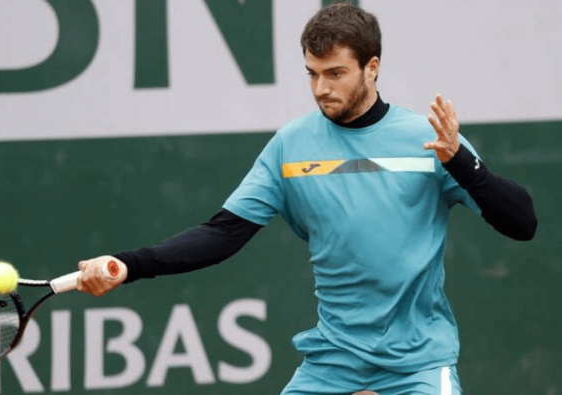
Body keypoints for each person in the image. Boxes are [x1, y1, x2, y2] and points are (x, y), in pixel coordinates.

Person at [76, 2, 537, 394]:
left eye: (335, 73)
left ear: (371, 68)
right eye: (313, 74)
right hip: (331, 362)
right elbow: (223, 234)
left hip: (418, 362)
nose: (321, 88)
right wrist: (129, 264)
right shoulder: (290, 146)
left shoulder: (428, 140)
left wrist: (461, 162)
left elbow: (523, 223)